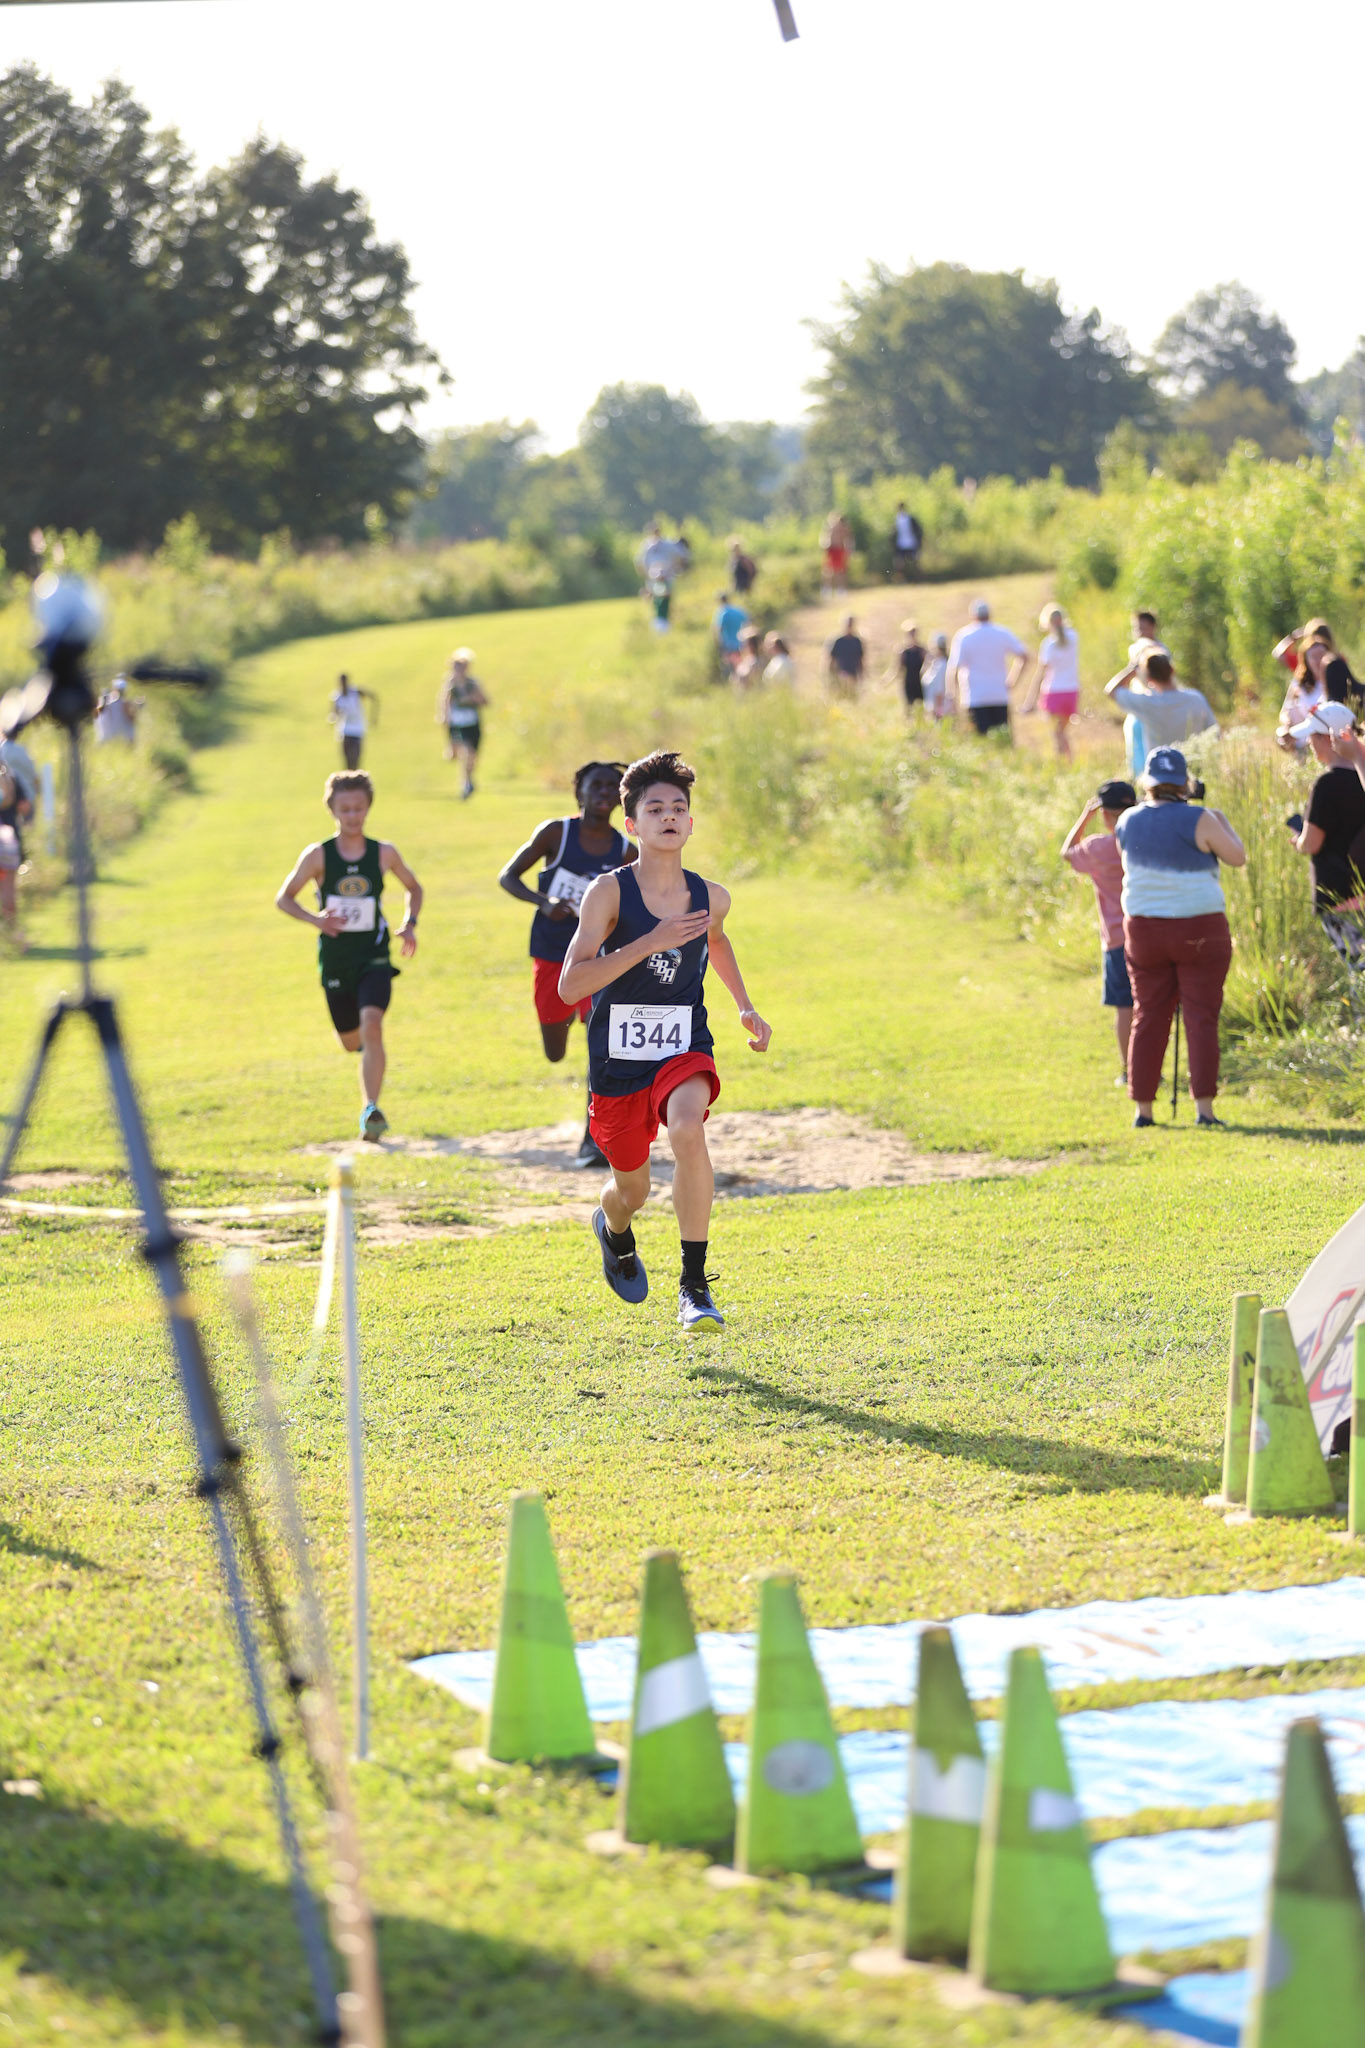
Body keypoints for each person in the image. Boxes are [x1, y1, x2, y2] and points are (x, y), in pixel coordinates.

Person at [559, 749, 772, 1331]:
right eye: (655, 809)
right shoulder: (608, 893)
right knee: (632, 1190)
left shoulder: (711, 896)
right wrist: (649, 942)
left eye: (678, 807)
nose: (669, 816)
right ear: (632, 824)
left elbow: (716, 940)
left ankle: (694, 1286)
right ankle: (614, 1228)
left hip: (683, 1045)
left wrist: (745, 1005)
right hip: (618, 1061)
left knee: (687, 1128)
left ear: (691, 823)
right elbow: (570, 984)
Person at [498, 761, 634, 1168]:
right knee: (555, 1051)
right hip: (552, 953)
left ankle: (593, 1139)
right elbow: (509, 876)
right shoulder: (556, 834)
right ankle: (564, 1024)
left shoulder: (625, 851)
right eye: (596, 785)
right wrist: (544, 903)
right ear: (579, 792)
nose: (604, 792)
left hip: (598, 960)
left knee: (601, 1047)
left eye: (612, 787)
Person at [275, 771, 423, 1144]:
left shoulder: (384, 852)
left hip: (374, 956)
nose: (353, 816)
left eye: (359, 808)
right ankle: (363, 1057)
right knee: (350, 1039)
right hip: (336, 961)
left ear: (368, 807)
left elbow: (414, 887)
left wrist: (409, 924)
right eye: (345, 809)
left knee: (372, 1025)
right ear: (332, 810)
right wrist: (316, 920)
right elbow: (284, 898)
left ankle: (370, 1110)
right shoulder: (318, 855)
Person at [1114, 746, 1245, 1129]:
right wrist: (1220, 819)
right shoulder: (1202, 818)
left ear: (1148, 782)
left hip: (1144, 929)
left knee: (1148, 1014)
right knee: (1201, 1017)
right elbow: (1236, 857)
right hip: (1199, 928)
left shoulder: (1127, 819)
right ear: (1184, 783)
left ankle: (1143, 1110)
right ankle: (1204, 1109)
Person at [1062, 780, 1138, 1082]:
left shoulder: (1098, 847)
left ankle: (1129, 1069)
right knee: (1151, 1005)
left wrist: (1084, 817)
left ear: (1105, 814)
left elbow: (1068, 852)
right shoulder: (1143, 843)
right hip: (1150, 932)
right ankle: (1151, 1065)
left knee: (1124, 1007)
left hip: (1117, 938)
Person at [1104, 650, 1218, 771]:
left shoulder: (1147, 703)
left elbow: (1111, 691)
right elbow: (1214, 732)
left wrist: (1133, 669)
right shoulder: (1196, 698)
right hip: (1194, 770)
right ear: (1172, 670)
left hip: (1159, 772)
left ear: (1148, 679)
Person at [947, 600, 1030, 736]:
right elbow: (1024, 656)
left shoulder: (964, 636)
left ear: (973, 615)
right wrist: (1012, 681)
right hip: (999, 695)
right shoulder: (1001, 633)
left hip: (974, 698)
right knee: (1002, 739)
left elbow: (953, 669)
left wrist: (952, 696)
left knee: (979, 740)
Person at [1026, 605, 1081, 759]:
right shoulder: (1074, 637)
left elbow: (1041, 673)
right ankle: (1066, 760)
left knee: (1057, 733)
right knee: (1061, 731)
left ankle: (1065, 760)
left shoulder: (1048, 644)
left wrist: (1030, 699)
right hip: (1071, 690)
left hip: (1053, 691)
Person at [437, 648, 488, 798]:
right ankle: (466, 784)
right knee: (465, 753)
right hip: (458, 724)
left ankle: (468, 780)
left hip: (472, 723)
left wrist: (471, 698)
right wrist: (444, 716)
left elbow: (484, 701)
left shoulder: (473, 683)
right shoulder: (450, 684)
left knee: (472, 756)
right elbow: (444, 702)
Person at [0, 735, 36, 949]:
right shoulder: (10, 775)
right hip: (7, 841)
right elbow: (24, 807)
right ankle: (12, 937)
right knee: (8, 889)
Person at [636, 522, 686, 634]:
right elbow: (640, 563)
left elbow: (681, 556)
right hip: (653, 578)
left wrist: (676, 570)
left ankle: (663, 623)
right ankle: (659, 623)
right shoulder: (647, 545)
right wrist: (646, 575)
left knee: (664, 599)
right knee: (656, 600)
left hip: (666, 576)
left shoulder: (668, 544)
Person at [330, 673, 378, 771]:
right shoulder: (337, 697)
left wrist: (373, 717)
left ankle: (356, 779)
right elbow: (334, 714)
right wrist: (334, 717)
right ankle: (348, 780)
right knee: (347, 762)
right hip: (345, 731)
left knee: (356, 760)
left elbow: (373, 697)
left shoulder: (355, 693)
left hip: (357, 731)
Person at [93, 674, 144, 745]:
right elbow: (131, 718)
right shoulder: (116, 702)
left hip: (112, 737)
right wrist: (137, 708)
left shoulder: (118, 702)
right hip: (112, 737)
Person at [712, 591, 749, 677]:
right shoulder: (738, 610)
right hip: (741, 643)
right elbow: (748, 621)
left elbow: (719, 629)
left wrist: (718, 644)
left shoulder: (722, 613)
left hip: (728, 644)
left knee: (731, 667)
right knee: (740, 664)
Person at [826, 615, 865, 695]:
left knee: (852, 695)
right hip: (840, 674)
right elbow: (831, 660)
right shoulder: (838, 641)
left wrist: (861, 675)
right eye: (848, 624)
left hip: (853, 675)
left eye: (851, 624)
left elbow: (860, 660)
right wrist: (831, 677)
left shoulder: (857, 641)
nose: (849, 626)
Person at [894, 620, 926, 709]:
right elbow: (897, 669)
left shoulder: (922, 651)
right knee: (909, 707)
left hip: (920, 683)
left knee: (922, 707)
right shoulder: (903, 651)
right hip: (908, 683)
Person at [820, 511, 853, 596]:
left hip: (840, 550)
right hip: (831, 550)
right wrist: (825, 546)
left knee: (841, 570)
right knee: (828, 570)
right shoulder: (829, 528)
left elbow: (847, 539)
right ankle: (826, 589)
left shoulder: (843, 528)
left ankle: (841, 589)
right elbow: (824, 539)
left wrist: (848, 549)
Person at [891, 502, 923, 580]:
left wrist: (919, 542)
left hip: (911, 543)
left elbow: (918, 530)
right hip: (900, 544)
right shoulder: (897, 519)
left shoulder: (910, 518)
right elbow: (894, 533)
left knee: (915, 563)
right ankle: (901, 579)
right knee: (899, 563)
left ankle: (918, 579)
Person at [921, 633, 950, 718]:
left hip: (939, 710)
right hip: (933, 708)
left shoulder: (942, 664)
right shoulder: (935, 663)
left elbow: (940, 689)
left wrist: (938, 709)